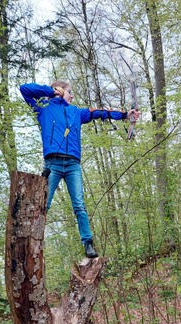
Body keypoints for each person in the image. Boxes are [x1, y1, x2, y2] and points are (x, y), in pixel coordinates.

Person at [20, 81, 140, 258]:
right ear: (60, 92)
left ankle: (88, 243)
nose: (72, 96)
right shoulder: (43, 108)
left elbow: (99, 113)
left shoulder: (76, 112)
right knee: (43, 205)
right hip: (52, 164)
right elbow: (24, 89)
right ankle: (32, 244)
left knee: (79, 205)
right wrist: (50, 91)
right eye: (69, 92)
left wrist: (124, 115)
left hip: (72, 165)